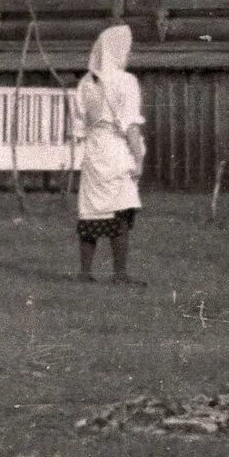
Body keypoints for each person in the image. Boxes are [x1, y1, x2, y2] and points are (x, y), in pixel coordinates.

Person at [73, 23, 146, 283]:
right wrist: (138, 158)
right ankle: (120, 273)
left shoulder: (85, 83)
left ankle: (85, 272)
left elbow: (80, 125)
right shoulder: (126, 82)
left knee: (91, 210)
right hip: (115, 150)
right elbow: (130, 126)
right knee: (121, 209)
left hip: (93, 152)